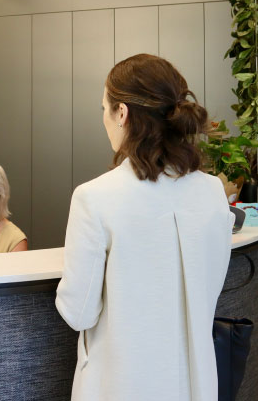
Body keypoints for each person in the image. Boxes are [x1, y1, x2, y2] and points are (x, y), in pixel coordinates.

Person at [55, 54, 234, 401]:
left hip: (121, 385)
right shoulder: (212, 191)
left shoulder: (95, 198)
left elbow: (78, 313)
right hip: (197, 382)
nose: (104, 119)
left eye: (104, 108)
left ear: (121, 113)